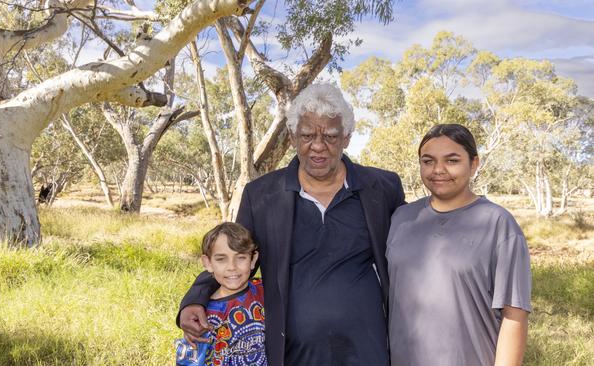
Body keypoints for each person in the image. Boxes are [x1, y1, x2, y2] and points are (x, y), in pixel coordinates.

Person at [178, 83, 405, 365]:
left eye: (331, 136)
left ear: (346, 137)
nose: (318, 146)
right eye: (307, 135)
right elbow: (234, 255)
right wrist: (195, 299)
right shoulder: (261, 194)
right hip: (292, 352)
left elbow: (413, 250)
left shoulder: (382, 187)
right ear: (292, 137)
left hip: (369, 348)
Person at [386, 124, 532, 366]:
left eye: (452, 160)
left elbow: (514, 315)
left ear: (474, 164)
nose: (438, 170)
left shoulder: (498, 224)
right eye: (428, 161)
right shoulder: (401, 218)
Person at [175, 222, 266, 365]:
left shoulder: (262, 290)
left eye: (241, 257)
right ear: (208, 263)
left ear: (253, 260)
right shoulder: (202, 317)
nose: (232, 267)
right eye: (221, 259)